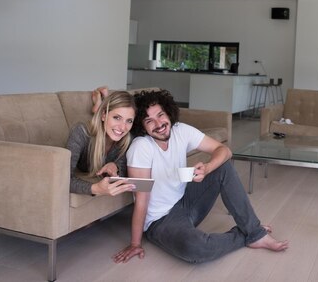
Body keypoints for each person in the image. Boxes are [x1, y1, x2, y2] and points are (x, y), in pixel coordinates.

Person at [113, 89, 288, 264]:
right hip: (160, 221)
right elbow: (141, 199)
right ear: (141, 126)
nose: (158, 123)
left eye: (161, 115)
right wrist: (135, 243)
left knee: (222, 167)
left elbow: (224, 151)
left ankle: (254, 231)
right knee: (197, 249)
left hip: (186, 200)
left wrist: (208, 167)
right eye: (149, 120)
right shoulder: (140, 147)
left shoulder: (180, 130)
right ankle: (250, 234)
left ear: (169, 112)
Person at [67, 90, 137, 196]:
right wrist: (95, 188)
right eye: (117, 117)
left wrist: (115, 167)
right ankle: (98, 106)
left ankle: (99, 106)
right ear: (104, 115)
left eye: (129, 121)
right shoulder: (81, 132)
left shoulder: (127, 139)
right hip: (96, 126)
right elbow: (64, 179)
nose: (123, 127)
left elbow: (123, 168)